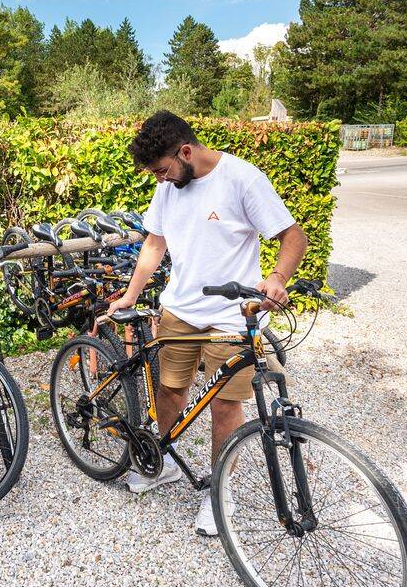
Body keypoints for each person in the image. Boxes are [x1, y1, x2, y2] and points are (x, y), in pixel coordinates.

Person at [108, 110, 308, 536]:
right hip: (179, 310)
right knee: (170, 390)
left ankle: (220, 491)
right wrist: (130, 293)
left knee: (225, 405)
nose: (159, 179)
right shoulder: (168, 186)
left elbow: (294, 237)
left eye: (162, 170)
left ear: (185, 151)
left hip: (228, 317)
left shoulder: (242, 179)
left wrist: (276, 278)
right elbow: (155, 243)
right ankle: (162, 464)